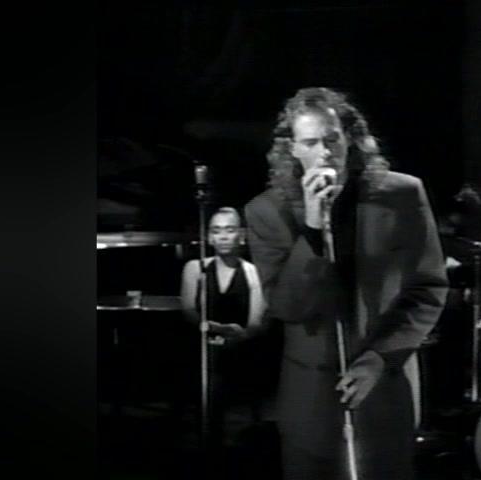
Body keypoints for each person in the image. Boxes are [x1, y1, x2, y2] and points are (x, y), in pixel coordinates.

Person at [243, 87, 448, 480]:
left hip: (385, 388)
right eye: (310, 143)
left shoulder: (403, 194)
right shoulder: (265, 212)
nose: (324, 152)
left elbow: (428, 288)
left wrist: (380, 357)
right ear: (292, 149)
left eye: (332, 139)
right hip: (310, 401)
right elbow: (287, 306)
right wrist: (312, 229)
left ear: (350, 139)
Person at [179, 206, 267, 452]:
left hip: (240, 347)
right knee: (208, 367)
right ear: (209, 237)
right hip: (201, 345)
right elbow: (189, 310)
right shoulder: (195, 268)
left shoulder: (253, 272)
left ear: (241, 235)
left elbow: (256, 322)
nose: (223, 236)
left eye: (229, 230)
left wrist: (239, 334)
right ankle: (207, 441)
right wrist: (209, 328)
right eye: (217, 231)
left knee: (229, 367)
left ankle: (231, 442)